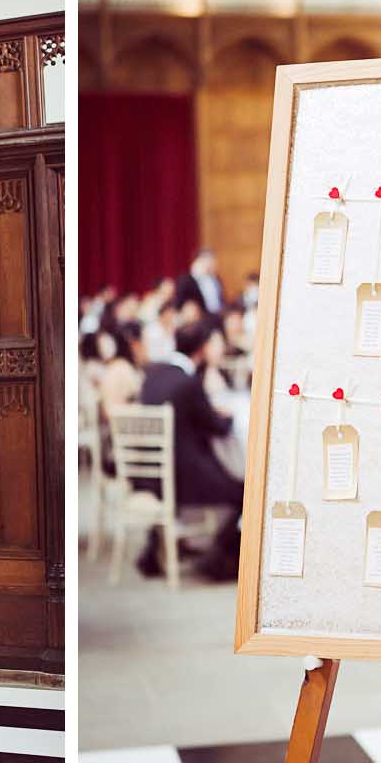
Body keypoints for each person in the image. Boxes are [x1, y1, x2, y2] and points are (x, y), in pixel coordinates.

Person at [136, 319, 243, 580]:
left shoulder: (154, 373)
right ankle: (218, 558)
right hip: (181, 477)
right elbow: (217, 427)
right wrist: (227, 416)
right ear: (202, 350)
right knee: (246, 492)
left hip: (148, 474)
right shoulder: (188, 383)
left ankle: (154, 551)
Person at [176, 248, 225, 315]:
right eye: (210, 260)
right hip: (199, 319)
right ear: (200, 260)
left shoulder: (216, 279)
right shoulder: (186, 281)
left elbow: (221, 300)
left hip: (217, 316)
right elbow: (180, 302)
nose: (213, 263)